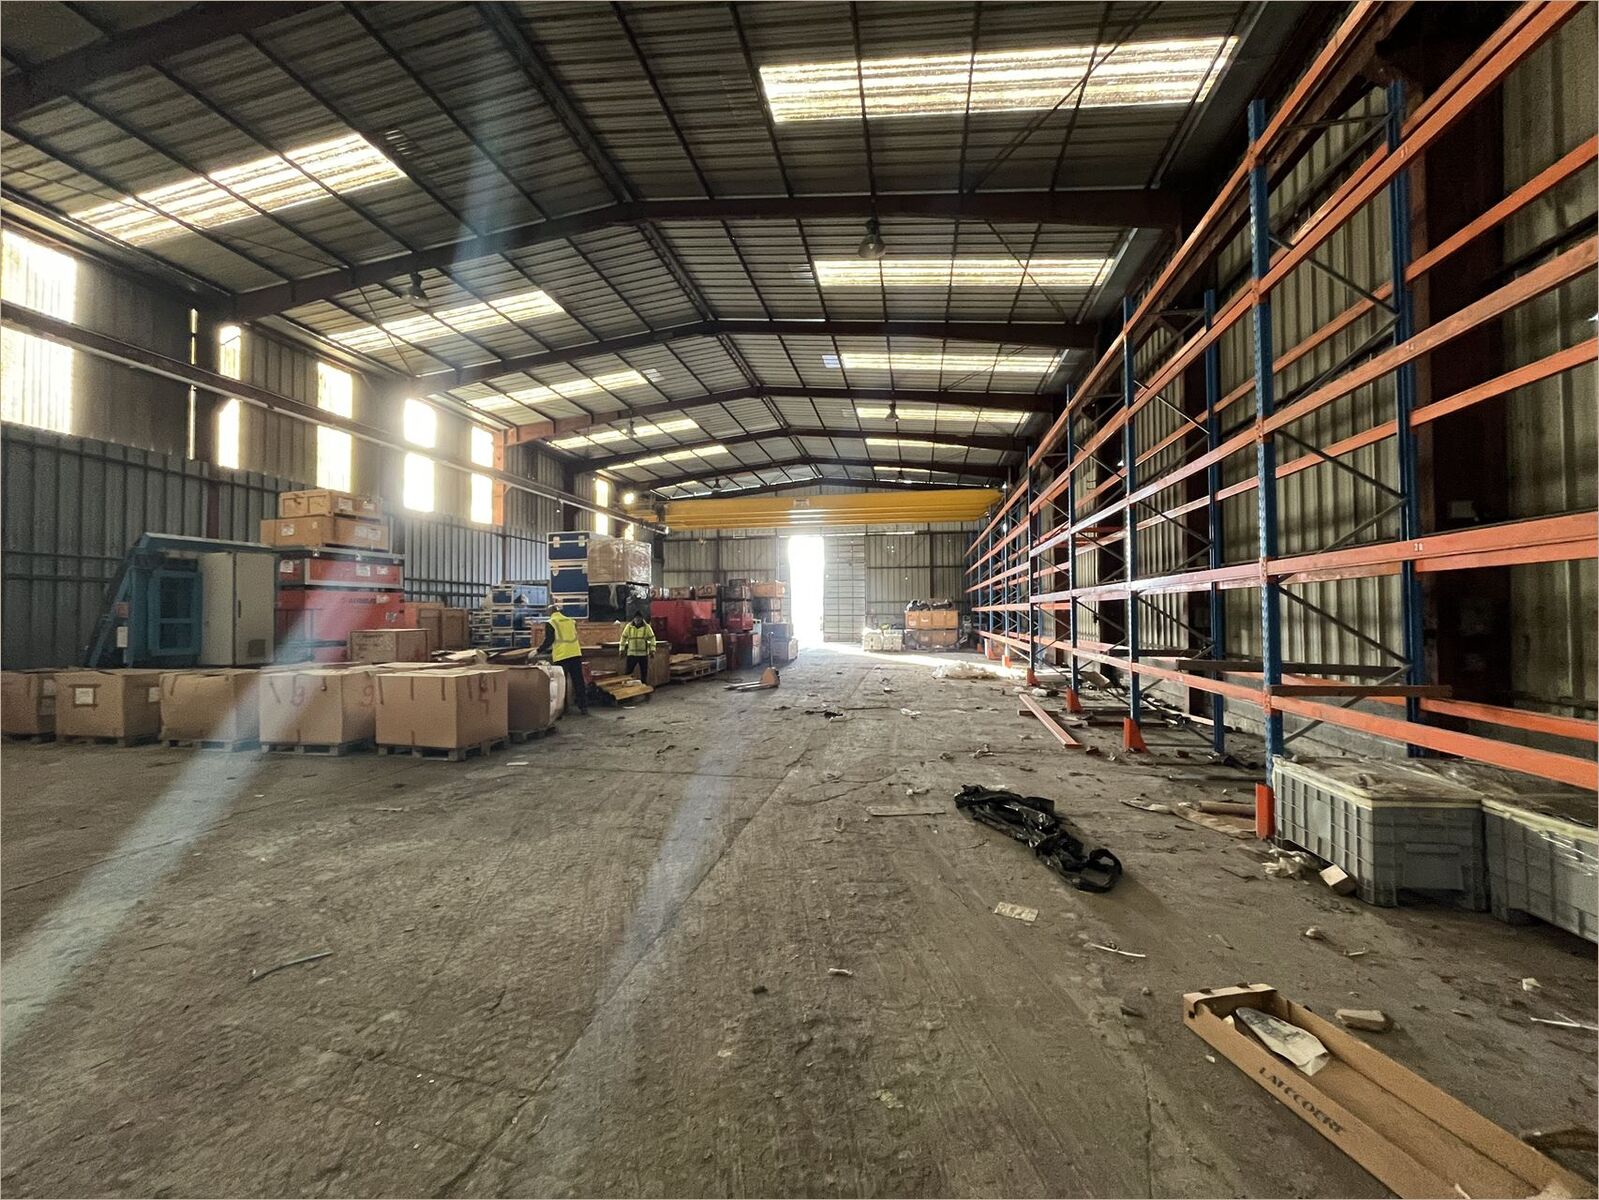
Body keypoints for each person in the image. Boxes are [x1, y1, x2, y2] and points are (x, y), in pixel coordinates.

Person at [539, 605, 588, 715]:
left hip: (562, 656)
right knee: (578, 681)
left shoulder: (551, 622)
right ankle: (583, 707)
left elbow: (549, 640)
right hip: (575, 653)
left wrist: (538, 650)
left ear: (550, 612)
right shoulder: (571, 621)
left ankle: (563, 708)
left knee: (562, 683)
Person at [619, 611, 658, 682]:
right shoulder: (629, 627)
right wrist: (621, 649)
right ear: (634, 619)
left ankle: (644, 686)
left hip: (643, 654)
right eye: (636, 618)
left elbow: (652, 638)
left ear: (642, 619)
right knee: (628, 672)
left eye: (639, 619)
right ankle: (626, 686)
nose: (637, 620)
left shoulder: (647, 627)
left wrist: (652, 650)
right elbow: (623, 638)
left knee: (644, 673)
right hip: (631, 654)